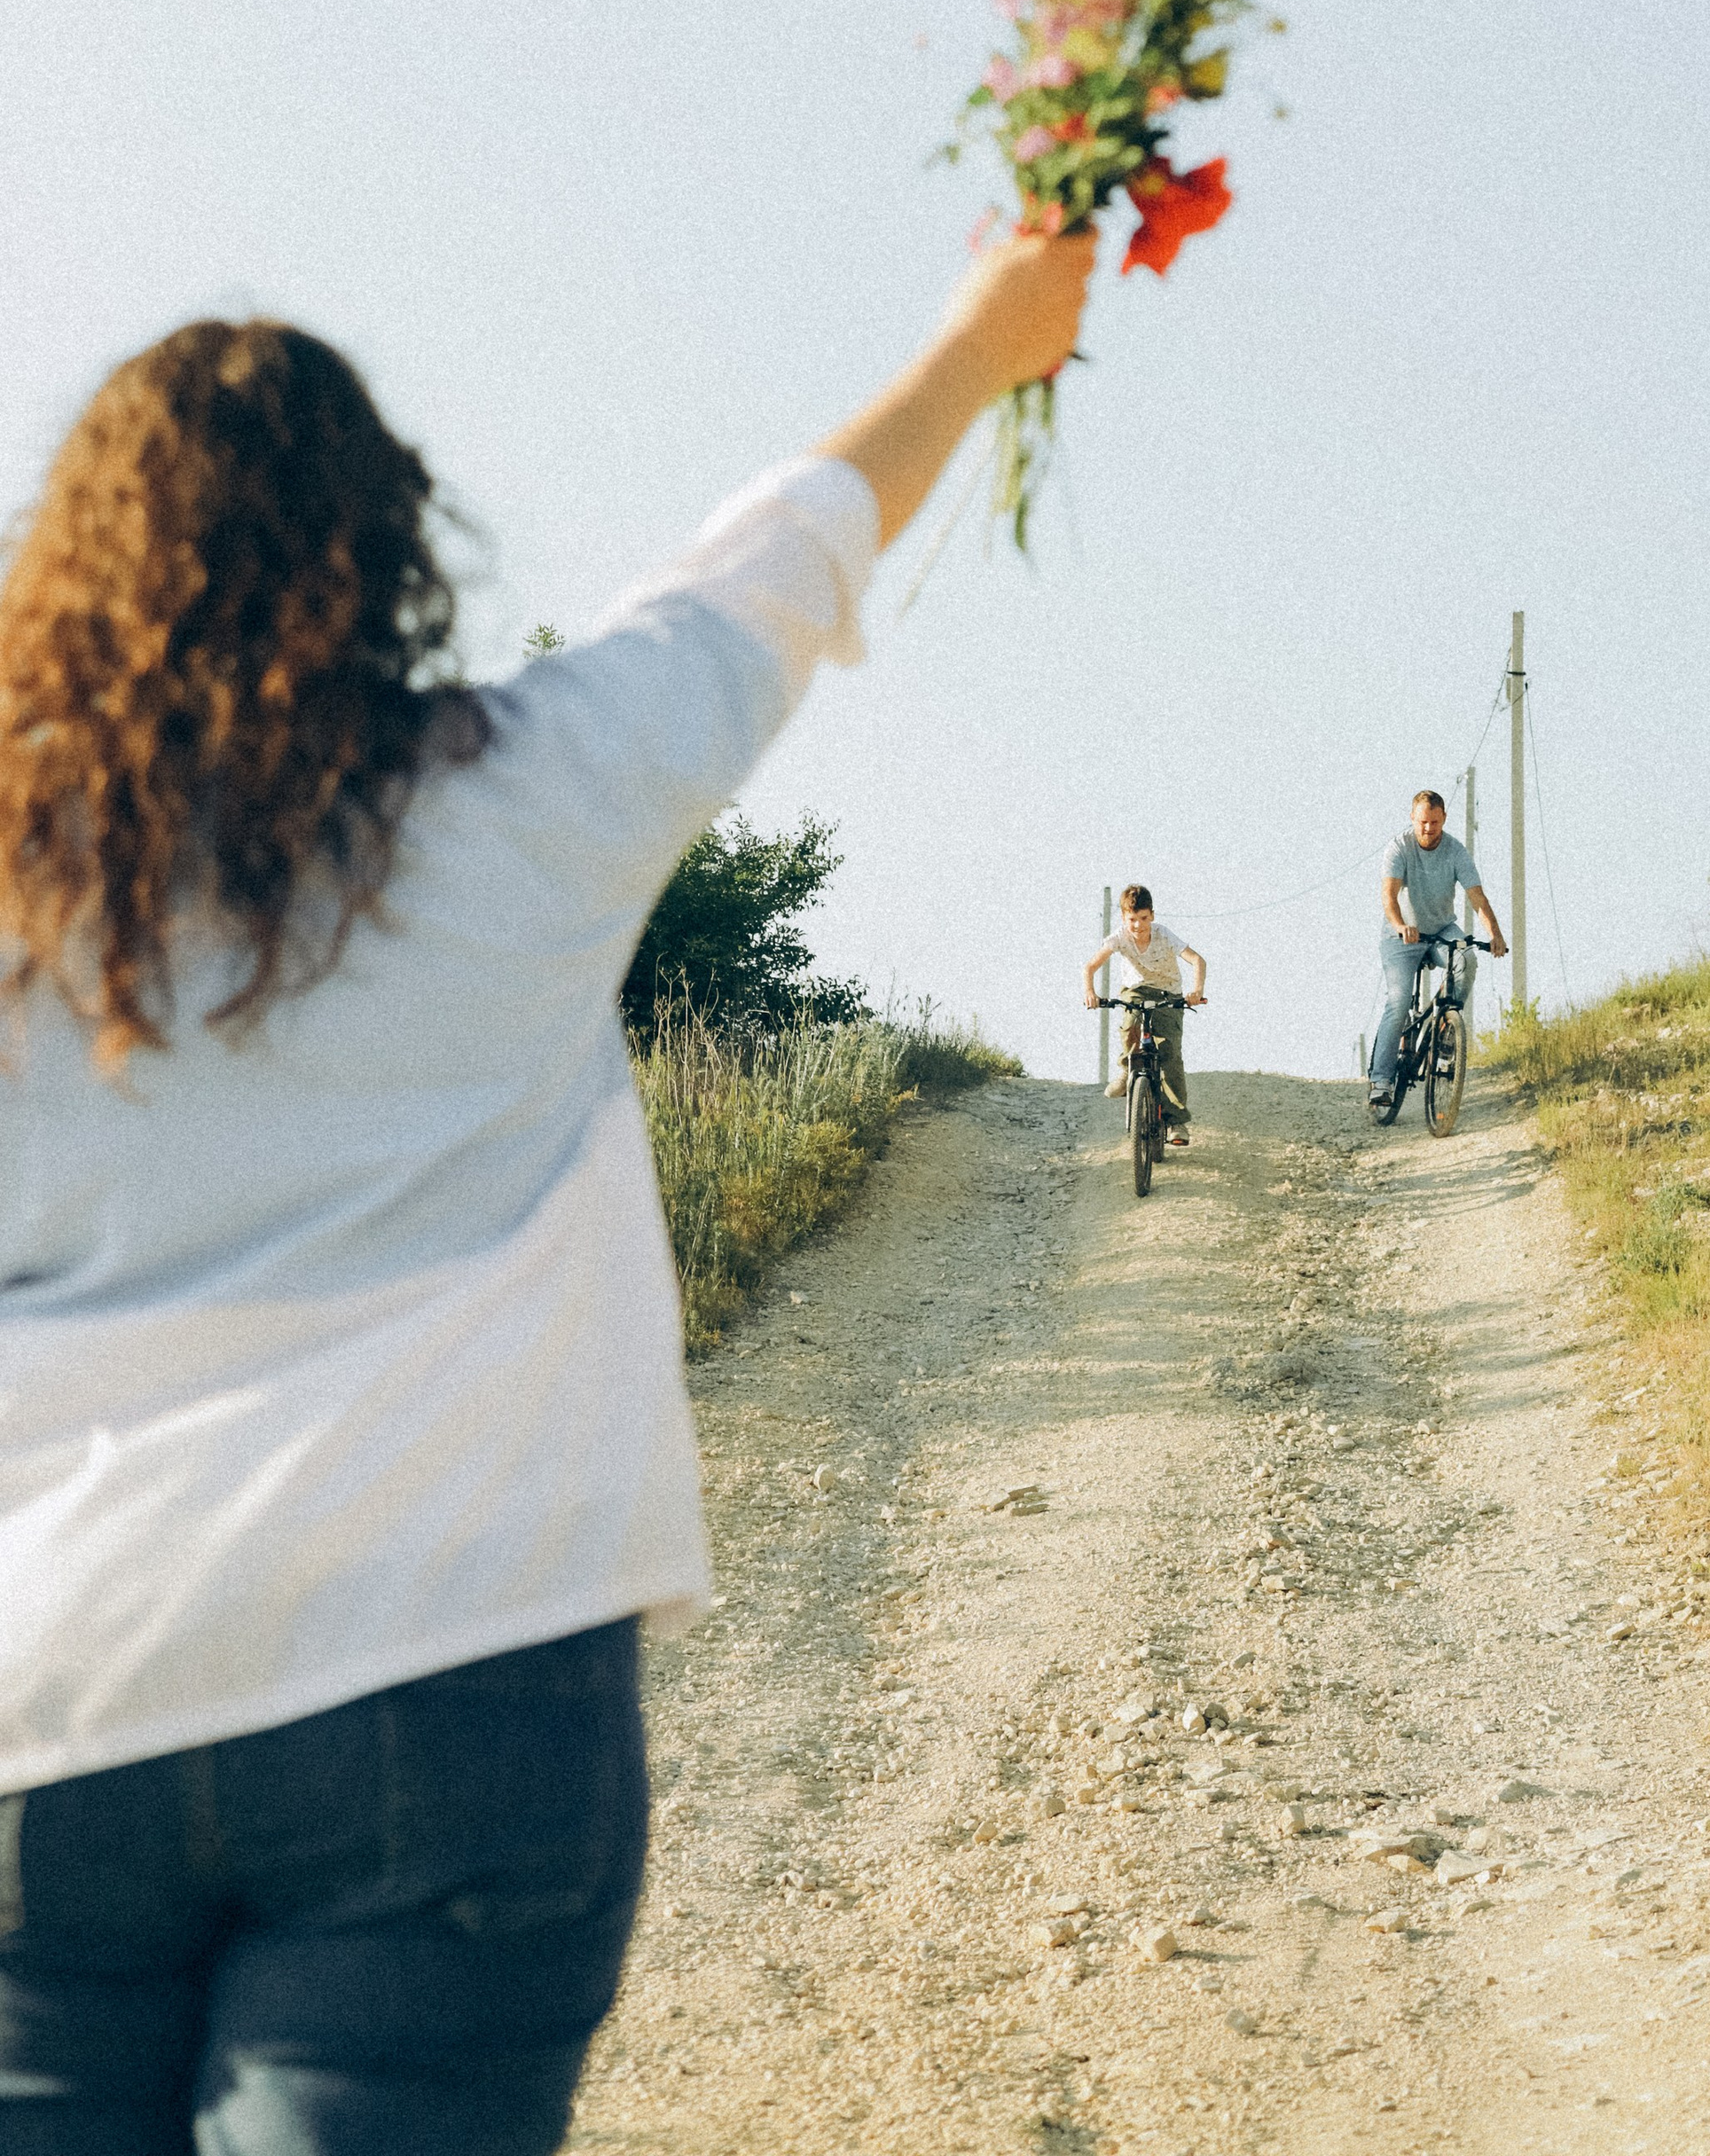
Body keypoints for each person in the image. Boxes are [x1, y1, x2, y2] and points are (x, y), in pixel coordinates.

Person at [0, 223, 1091, 2156]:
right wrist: (981, 343)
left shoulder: (21, 901)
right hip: (449, 1694)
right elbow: (772, 561)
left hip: (46, 1714)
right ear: (381, 552)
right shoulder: (526, 792)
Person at [1369, 788, 1509, 1107]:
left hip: (1441, 929)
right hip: (1401, 935)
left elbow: (1477, 897)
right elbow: (1389, 897)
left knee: (1467, 959)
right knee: (1399, 999)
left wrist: (1495, 934)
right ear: (1412, 819)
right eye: (1422, 822)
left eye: (1434, 822)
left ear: (1443, 819)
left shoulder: (1456, 851)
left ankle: (1447, 1035)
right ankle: (1381, 1080)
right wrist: (1401, 925)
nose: (1428, 829)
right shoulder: (1399, 848)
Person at [1083, 885, 1204, 1146]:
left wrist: (1196, 991)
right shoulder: (1119, 937)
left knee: (1169, 1054)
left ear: (1152, 915)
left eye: (1144, 919)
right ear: (1124, 918)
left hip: (1168, 994)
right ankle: (1127, 1073)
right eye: (1132, 920)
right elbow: (1091, 966)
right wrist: (1091, 993)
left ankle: (1176, 1121)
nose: (1138, 926)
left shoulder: (1164, 935)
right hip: (1135, 991)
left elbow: (1197, 960)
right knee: (1130, 1026)